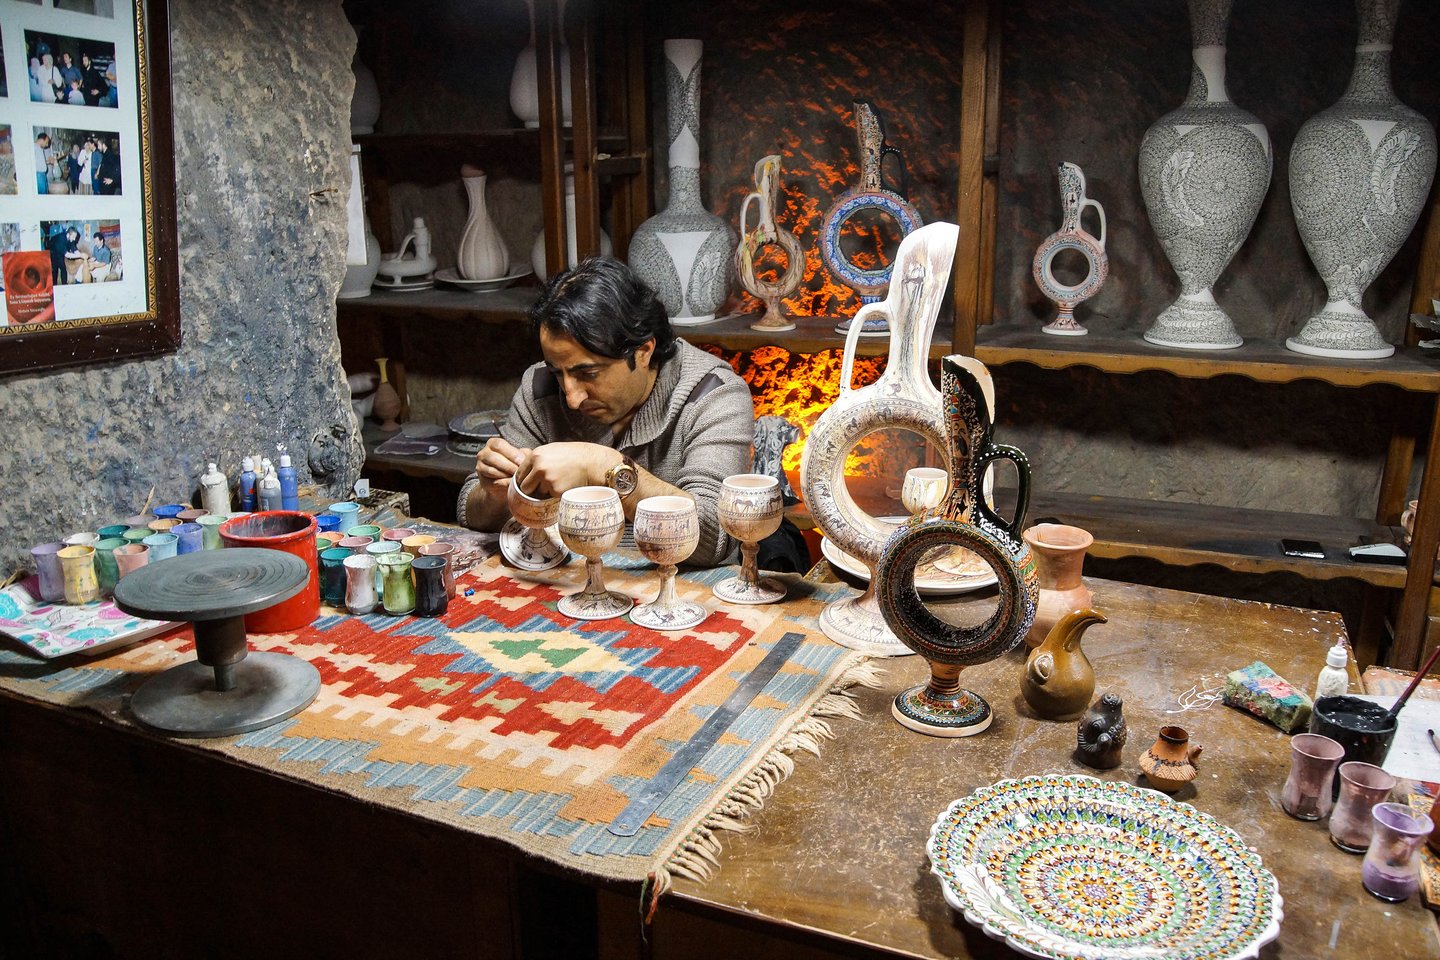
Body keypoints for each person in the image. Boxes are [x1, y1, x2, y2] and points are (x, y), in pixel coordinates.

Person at [458, 256, 755, 567]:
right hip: (573, 581)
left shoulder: (713, 393)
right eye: (559, 372)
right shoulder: (541, 386)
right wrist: (494, 496)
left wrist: (602, 466)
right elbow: (471, 511)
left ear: (643, 352)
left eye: (588, 373)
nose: (571, 397)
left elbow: (715, 538)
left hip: (684, 589)